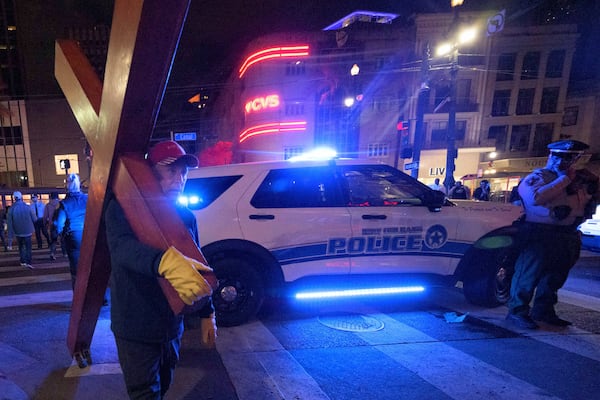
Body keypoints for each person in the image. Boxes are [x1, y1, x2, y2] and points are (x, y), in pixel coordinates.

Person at [105, 140, 216, 399]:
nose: (179, 178)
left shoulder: (186, 216)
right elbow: (122, 248)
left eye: (183, 171)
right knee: (145, 394)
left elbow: (198, 263)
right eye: (171, 170)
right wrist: (163, 262)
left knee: (164, 385)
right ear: (150, 172)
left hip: (170, 325)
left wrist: (207, 313)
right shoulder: (122, 207)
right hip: (135, 326)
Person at [506, 140, 599, 329]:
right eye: (562, 156)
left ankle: (544, 311)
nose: (567, 161)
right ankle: (517, 311)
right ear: (552, 156)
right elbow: (535, 198)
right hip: (539, 233)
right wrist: (563, 179)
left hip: (567, 233)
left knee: (555, 276)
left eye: (573, 157)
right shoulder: (540, 177)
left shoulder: (582, 180)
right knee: (527, 275)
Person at [55, 174, 88, 289]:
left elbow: (59, 224)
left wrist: (59, 235)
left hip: (73, 236)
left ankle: (78, 298)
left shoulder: (65, 203)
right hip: (88, 234)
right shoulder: (87, 198)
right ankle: (101, 297)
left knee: (76, 269)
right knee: (91, 265)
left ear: (68, 185)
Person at [6, 191, 36, 269]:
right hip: (27, 231)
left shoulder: (11, 209)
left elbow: (9, 224)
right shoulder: (27, 207)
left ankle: (22, 261)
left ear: (14, 198)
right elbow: (34, 218)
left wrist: (10, 240)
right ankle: (28, 261)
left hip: (18, 232)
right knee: (28, 247)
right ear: (21, 197)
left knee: (21, 247)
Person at [43, 192, 60, 261]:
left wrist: (45, 224)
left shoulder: (48, 205)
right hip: (61, 223)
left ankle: (52, 253)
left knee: (53, 240)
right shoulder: (60, 204)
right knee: (63, 239)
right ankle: (65, 253)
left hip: (52, 224)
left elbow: (45, 216)